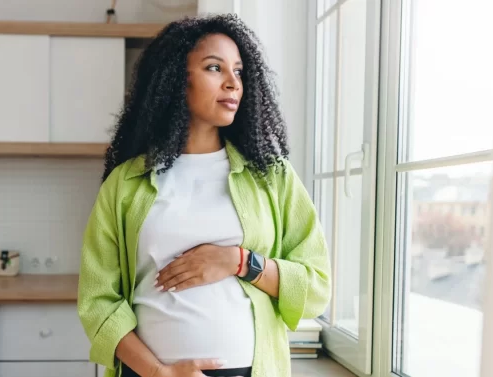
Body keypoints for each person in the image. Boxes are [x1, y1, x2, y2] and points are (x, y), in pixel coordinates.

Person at [77, 14, 331, 377]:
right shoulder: (126, 183)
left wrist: (239, 261)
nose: (233, 83)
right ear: (176, 81)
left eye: (239, 72)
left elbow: (316, 287)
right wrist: (158, 373)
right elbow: (97, 301)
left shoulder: (272, 178)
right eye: (215, 68)